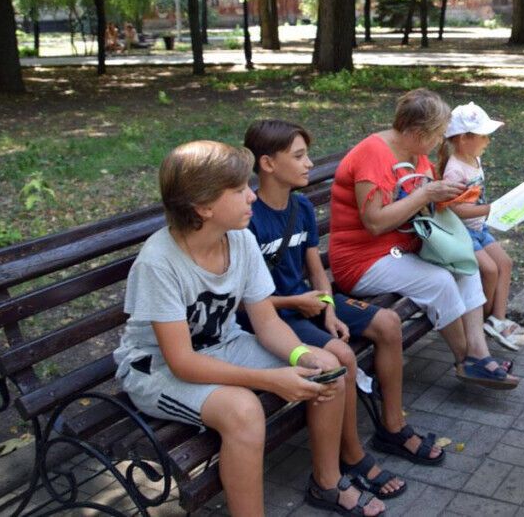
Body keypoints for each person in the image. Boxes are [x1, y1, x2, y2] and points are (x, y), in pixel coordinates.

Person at [112, 141, 385, 516]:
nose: (252, 197)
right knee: (243, 411)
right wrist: (272, 380)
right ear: (204, 207)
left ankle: (327, 482)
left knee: (326, 370)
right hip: (155, 369)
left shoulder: (239, 239)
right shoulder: (159, 263)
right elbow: (181, 363)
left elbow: (266, 320)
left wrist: (300, 355)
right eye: (239, 190)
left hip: (224, 345)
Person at [243, 121, 443, 495]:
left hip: (308, 300)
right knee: (342, 355)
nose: (309, 164)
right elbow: (244, 301)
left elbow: (316, 268)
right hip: (273, 313)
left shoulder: (300, 206)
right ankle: (352, 455)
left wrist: (328, 309)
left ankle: (392, 427)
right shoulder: (247, 220)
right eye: (299, 156)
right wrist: (301, 303)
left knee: (387, 323)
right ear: (268, 164)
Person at [329, 89, 519, 390]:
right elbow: (375, 223)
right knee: (440, 280)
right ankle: (465, 360)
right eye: (437, 135)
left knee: (464, 263)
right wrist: (426, 193)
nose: (439, 142)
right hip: (363, 261)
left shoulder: (415, 154)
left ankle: (479, 353)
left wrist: (448, 191)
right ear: (418, 133)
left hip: (402, 250)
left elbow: (427, 194)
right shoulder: (373, 155)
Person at [438, 103, 522, 352]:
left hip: (479, 228)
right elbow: (454, 209)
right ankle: (479, 323)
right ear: (464, 138)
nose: (488, 140)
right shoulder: (454, 170)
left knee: (504, 263)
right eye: (483, 135)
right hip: (462, 232)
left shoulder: (474, 158)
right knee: (489, 269)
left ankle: (498, 319)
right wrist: (493, 209)